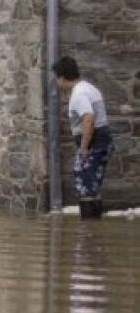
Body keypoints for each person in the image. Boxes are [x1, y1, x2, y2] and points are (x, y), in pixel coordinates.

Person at [52, 56, 116, 219]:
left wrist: (84, 147)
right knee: (92, 186)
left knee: (85, 185)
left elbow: (88, 118)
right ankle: (94, 230)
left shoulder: (78, 94)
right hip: (103, 141)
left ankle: (89, 232)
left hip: (94, 143)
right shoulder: (88, 87)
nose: (57, 83)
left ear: (61, 77)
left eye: (56, 79)